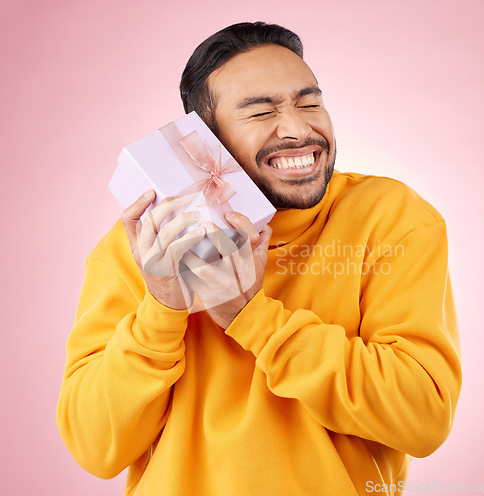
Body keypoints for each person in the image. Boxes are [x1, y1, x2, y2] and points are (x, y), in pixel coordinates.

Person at [57, 22, 462, 495]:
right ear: (203, 140)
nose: (297, 128)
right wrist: (162, 309)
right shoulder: (143, 249)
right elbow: (94, 448)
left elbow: (423, 418)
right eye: (261, 111)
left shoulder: (389, 218)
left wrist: (252, 318)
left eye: (310, 103)